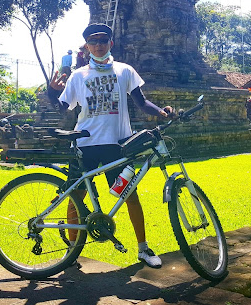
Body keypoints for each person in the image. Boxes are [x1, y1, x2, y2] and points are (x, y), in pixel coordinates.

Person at [48, 23, 172, 269]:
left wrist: (162, 113)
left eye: (103, 40)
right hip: (86, 144)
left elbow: (142, 102)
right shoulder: (78, 76)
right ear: (87, 47)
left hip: (118, 145)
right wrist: (52, 92)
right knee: (77, 199)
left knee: (130, 196)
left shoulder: (125, 71)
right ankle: (72, 254)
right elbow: (62, 108)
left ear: (110, 44)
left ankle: (143, 249)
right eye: (93, 42)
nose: (98, 45)